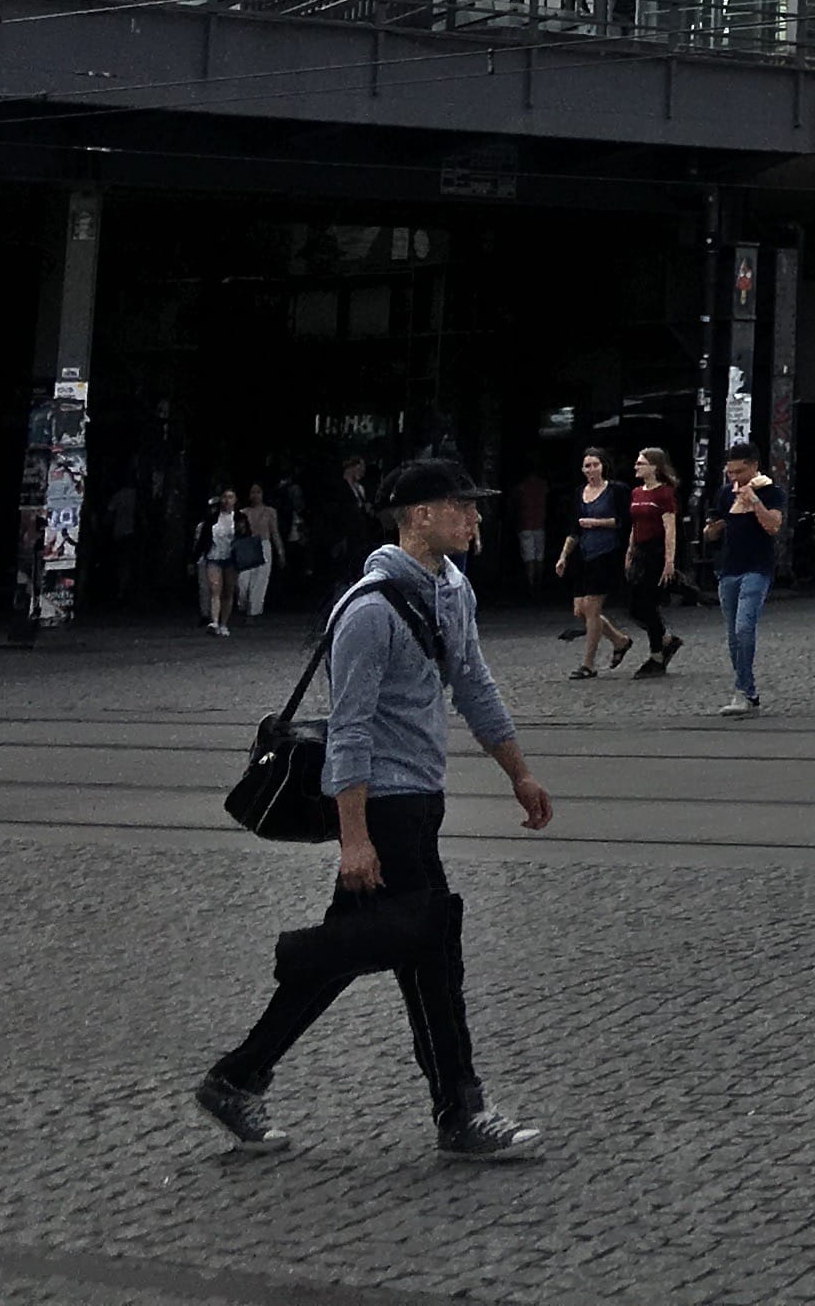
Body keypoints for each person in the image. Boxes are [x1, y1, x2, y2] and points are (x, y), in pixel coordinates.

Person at [193, 458, 554, 1162]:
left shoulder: (453, 590)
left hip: (422, 802)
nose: (477, 519)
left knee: (362, 949)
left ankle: (236, 1076)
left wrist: (520, 773)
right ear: (421, 516)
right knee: (431, 954)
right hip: (384, 807)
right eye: (463, 507)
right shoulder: (368, 610)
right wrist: (354, 839)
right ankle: (460, 1112)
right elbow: (349, 729)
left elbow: (474, 686)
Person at [705, 443, 784, 714]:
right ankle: (747, 690)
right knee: (732, 636)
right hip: (729, 569)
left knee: (744, 628)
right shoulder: (725, 494)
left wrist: (754, 501)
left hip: (757, 568)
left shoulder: (772, 491)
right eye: (730, 473)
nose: (734, 478)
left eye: (739, 471)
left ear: (753, 467)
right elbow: (712, 531)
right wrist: (714, 527)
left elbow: (773, 526)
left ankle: (742, 691)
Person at [564, 449, 632, 675]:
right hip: (584, 554)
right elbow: (574, 527)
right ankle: (619, 640)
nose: (591, 470)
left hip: (608, 553)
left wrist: (597, 522)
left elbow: (625, 521)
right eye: (587, 466)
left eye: (595, 465)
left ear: (603, 466)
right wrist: (563, 556)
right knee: (581, 609)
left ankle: (587, 664)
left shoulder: (616, 490)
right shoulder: (579, 493)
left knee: (592, 607)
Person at [620, 447, 684, 682]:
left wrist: (670, 560)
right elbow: (634, 525)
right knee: (634, 606)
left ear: (654, 467)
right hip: (640, 550)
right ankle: (666, 638)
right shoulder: (637, 493)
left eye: (641, 463)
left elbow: (670, 528)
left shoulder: (664, 494)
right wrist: (630, 550)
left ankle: (656, 653)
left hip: (656, 551)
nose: (636, 467)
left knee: (646, 602)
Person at [197, 491, 244, 637]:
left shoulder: (240, 518)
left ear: (235, 500)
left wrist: (242, 531)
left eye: (230, 497)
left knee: (228, 591)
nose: (226, 500)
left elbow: (247, 536)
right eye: (224, 497)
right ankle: (215, 622)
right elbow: (203, 539)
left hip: (231, 558)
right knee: (215, 589)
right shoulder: (212, 519)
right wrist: (195, 557)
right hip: (214, 556)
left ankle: (224, 623)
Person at [241, 483, 284, 622]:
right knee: (243, 581)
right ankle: (244, 606)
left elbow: (275, 532)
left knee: (260, 580)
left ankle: (253, 613)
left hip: (264, 543)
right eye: (253, 492)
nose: (255, 495)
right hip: (248, 545)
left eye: (258, 492)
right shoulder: (243, 512)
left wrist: (280, 551)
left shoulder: (270, 512)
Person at [506, 468, 549, 596]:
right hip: (540, 524)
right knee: (539, 557)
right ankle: (539, 584)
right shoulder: (543, 486)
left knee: (529, 558)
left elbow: (513, 504)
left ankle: (530, 587)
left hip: (525, 524)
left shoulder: (521, 487)